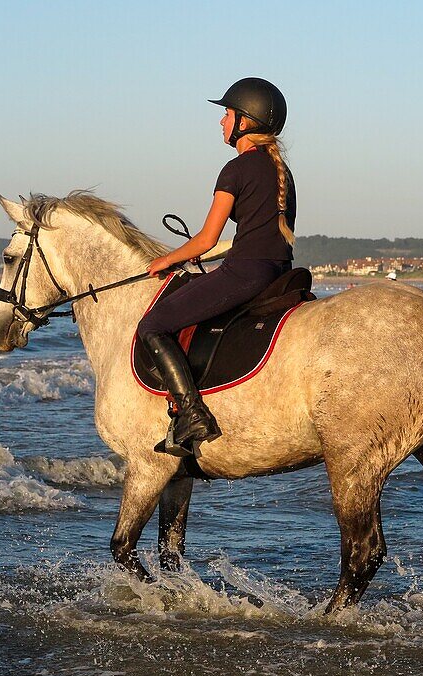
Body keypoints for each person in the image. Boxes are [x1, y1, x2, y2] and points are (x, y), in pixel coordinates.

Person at [137, 77, 296, 455]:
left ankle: (191, 413)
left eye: (226, 114)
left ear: (244, 121)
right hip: (279, 272)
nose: (221, 121)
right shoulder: (281, 172)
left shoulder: (235, 169)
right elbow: (260, 237)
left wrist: (167, 259)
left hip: (245, 273)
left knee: (153, 324)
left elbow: (207, 239)